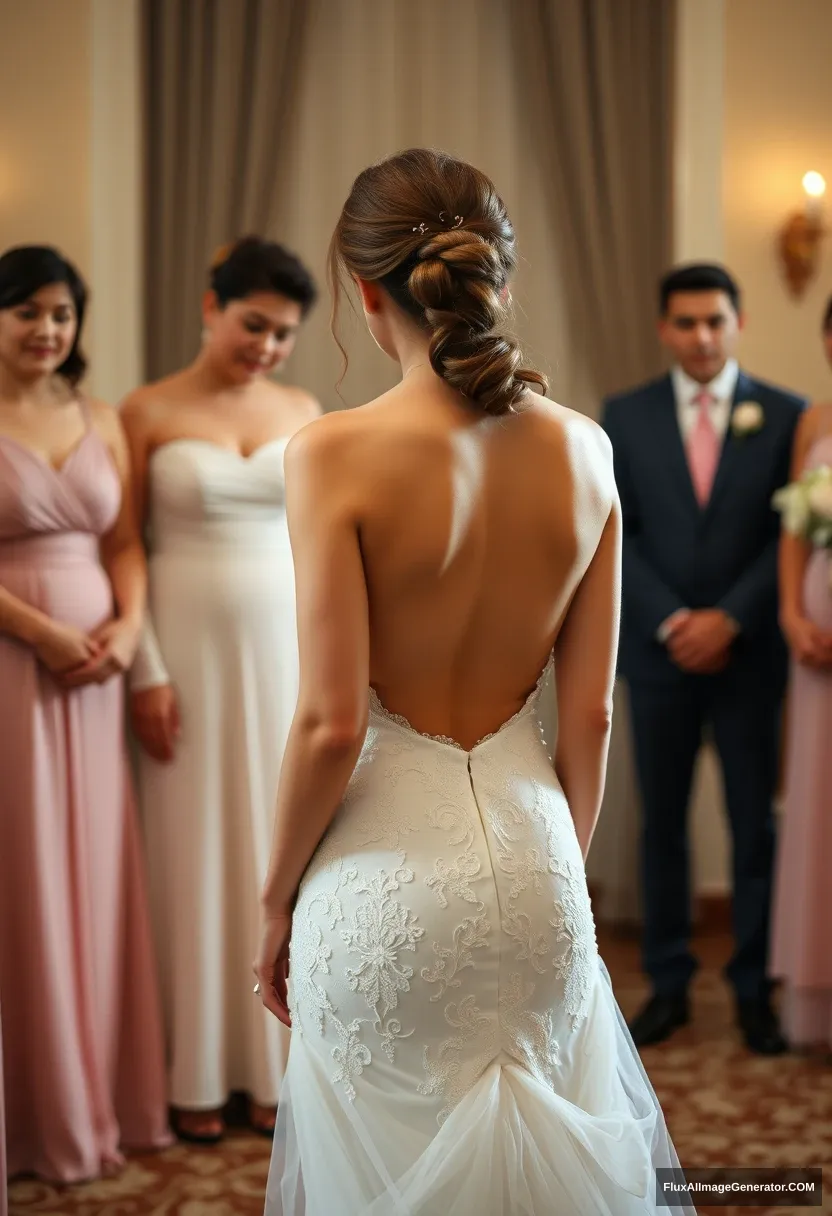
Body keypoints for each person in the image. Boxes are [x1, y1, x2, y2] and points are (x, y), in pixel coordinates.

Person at [253, 149, 692, 1215]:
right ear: (497, 273)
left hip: (380, 891)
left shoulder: (329, 453)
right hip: (539, 867)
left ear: (363, 292)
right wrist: (555, 869)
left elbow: (327, 721)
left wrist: (273, 907)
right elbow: (588, 710)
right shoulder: (586, 452)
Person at [123, 236, 320, 1143]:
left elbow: (320, 548)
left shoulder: (304, 407)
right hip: (185, 662)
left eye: (283, 333)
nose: (268, 348)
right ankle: (193, 1069)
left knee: (274, 852)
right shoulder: (146, 408)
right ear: (210, 306)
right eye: (254, 325)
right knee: (191, 856)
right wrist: (146, 669)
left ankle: (276, 1068)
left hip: (285, 655)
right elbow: (120, 547)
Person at [602, 263, 805, 1055]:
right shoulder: (625, 415)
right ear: (664, 328)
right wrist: (672, 621)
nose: (701, 337)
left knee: (754, 827)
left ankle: (754, 989)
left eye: (715, 321)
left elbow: (786, 533)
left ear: (739, 322)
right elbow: (618, 530)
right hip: (658, 658)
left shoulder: (786, 415)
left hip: (750, 657)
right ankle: (669, 984)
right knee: (663, 829)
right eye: (685, 323)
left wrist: (731, 618)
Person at [0, 245, 171, 1182]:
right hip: (13, 669)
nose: (47, 330)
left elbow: (126, 542)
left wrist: (128, 624)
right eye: (27, 311)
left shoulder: (100, 416)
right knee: (21, 869)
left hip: (97, 673)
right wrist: (41, 633)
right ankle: (33, 1109)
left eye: (62, 314)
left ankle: (95, 1095)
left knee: (93, 871)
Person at [769, 296, 832, 1051]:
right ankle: (819, 991)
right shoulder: (814, 423)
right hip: (815, 647)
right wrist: (790, 613)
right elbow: (793, 529)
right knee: (818, 809)